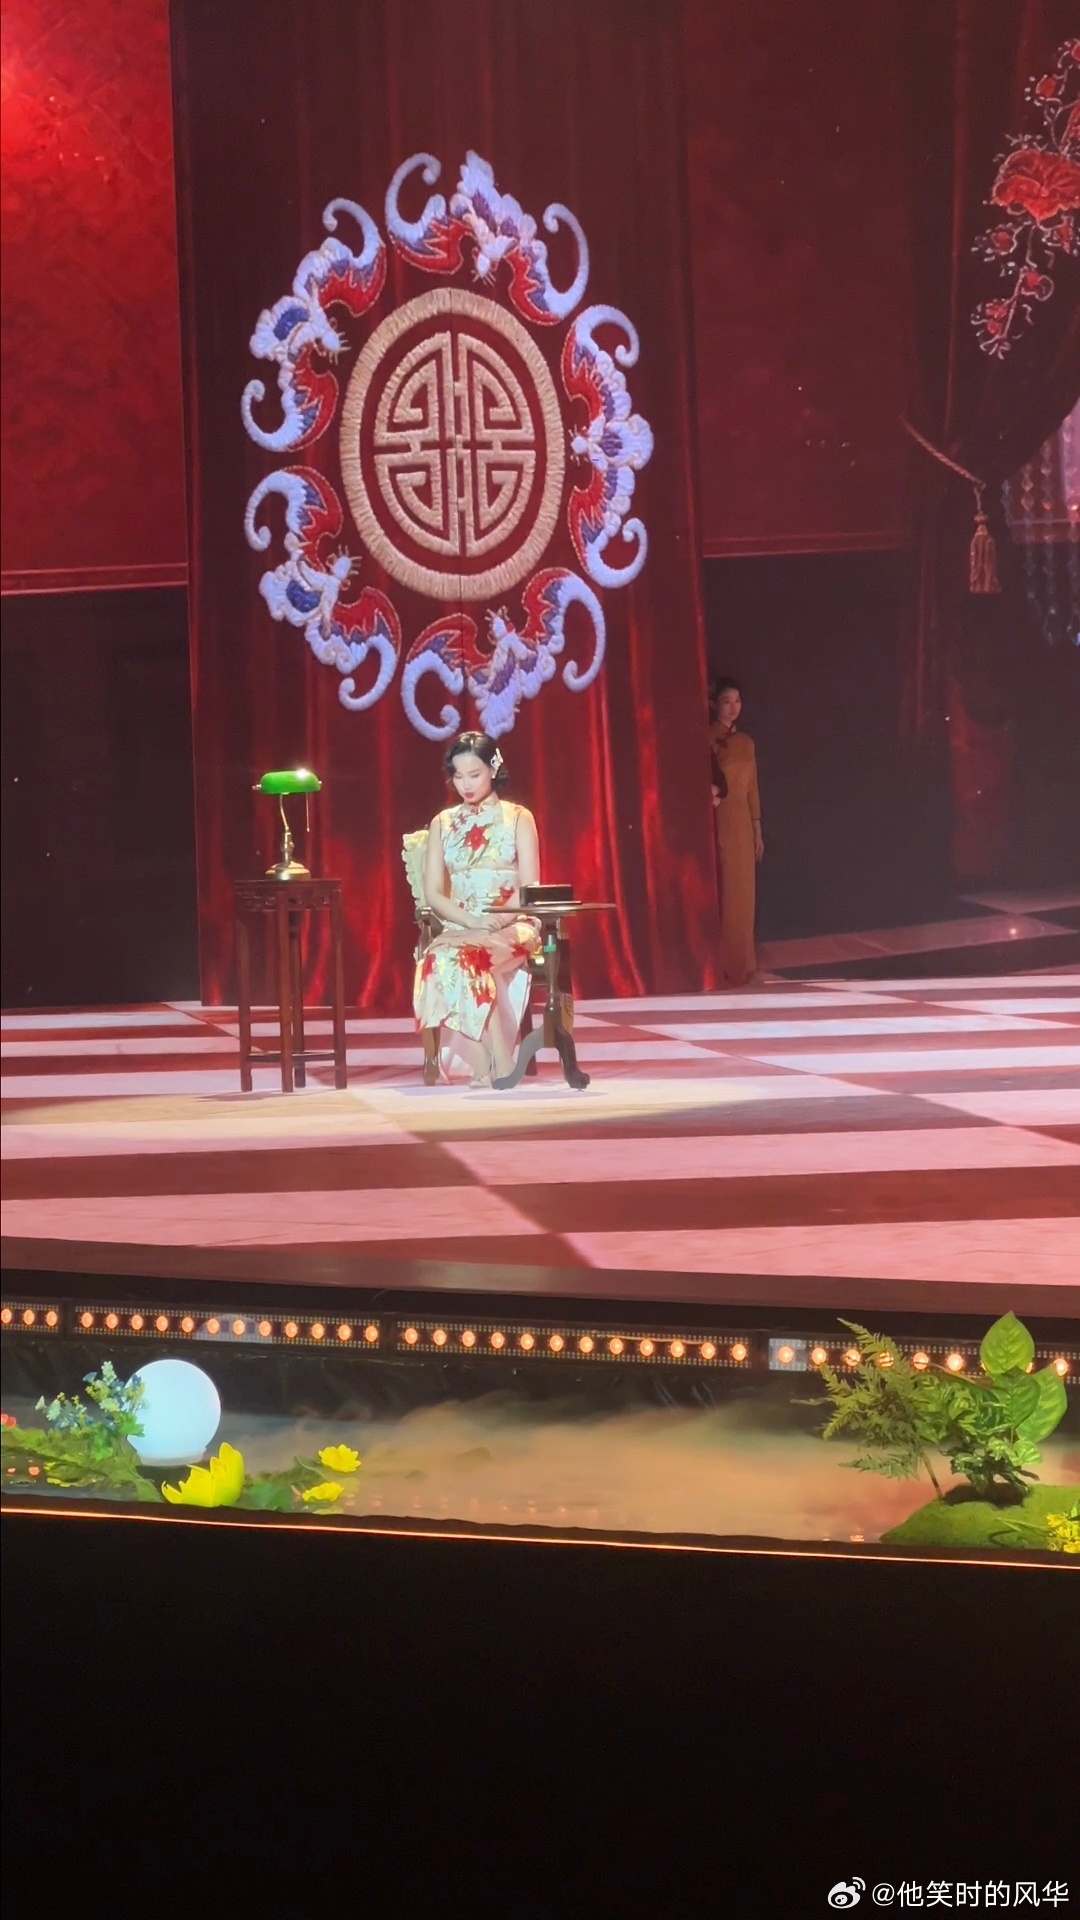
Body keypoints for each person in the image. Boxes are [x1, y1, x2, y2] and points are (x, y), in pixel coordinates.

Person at [413, 731, 543, 1085]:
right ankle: (491, 1057)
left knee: (468, 957)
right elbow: (434, 894)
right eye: (458, 776)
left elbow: (530, 888)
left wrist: (495, 921)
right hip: (464, 924)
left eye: (474, 774)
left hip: (513, 923)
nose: (466, 785)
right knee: (437, 960)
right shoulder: (443, 822)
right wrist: (471, 920)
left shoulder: (518, 817)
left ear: (493, 769)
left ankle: (496, 1061)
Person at [709, 676, 764, 986]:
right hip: (719, 818)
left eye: (738, 701)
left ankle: (743, 965)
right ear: (715, 703)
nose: (733, 707)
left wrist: (757, 827)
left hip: (742, 820)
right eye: (727, 701)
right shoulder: (707, 738)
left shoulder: (746, 742)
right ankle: (723, 965)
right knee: (726, 893)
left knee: (744, 893)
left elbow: (752, 788)